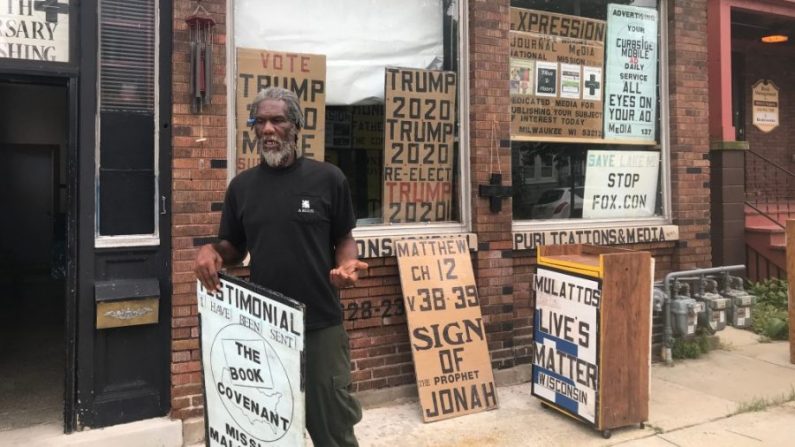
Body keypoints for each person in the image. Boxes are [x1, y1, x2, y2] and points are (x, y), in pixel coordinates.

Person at [194, 87, 369, 446]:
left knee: (333, 428)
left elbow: (344, 237)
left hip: (319, 324)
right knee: (269, 429)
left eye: (278, 120)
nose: (268, 129)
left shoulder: (328, 179)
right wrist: (211, 250)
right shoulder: (241, 188)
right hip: (265, 329)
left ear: (296, 126)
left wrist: (347, 264)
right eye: (260, 121)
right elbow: (233, 246)